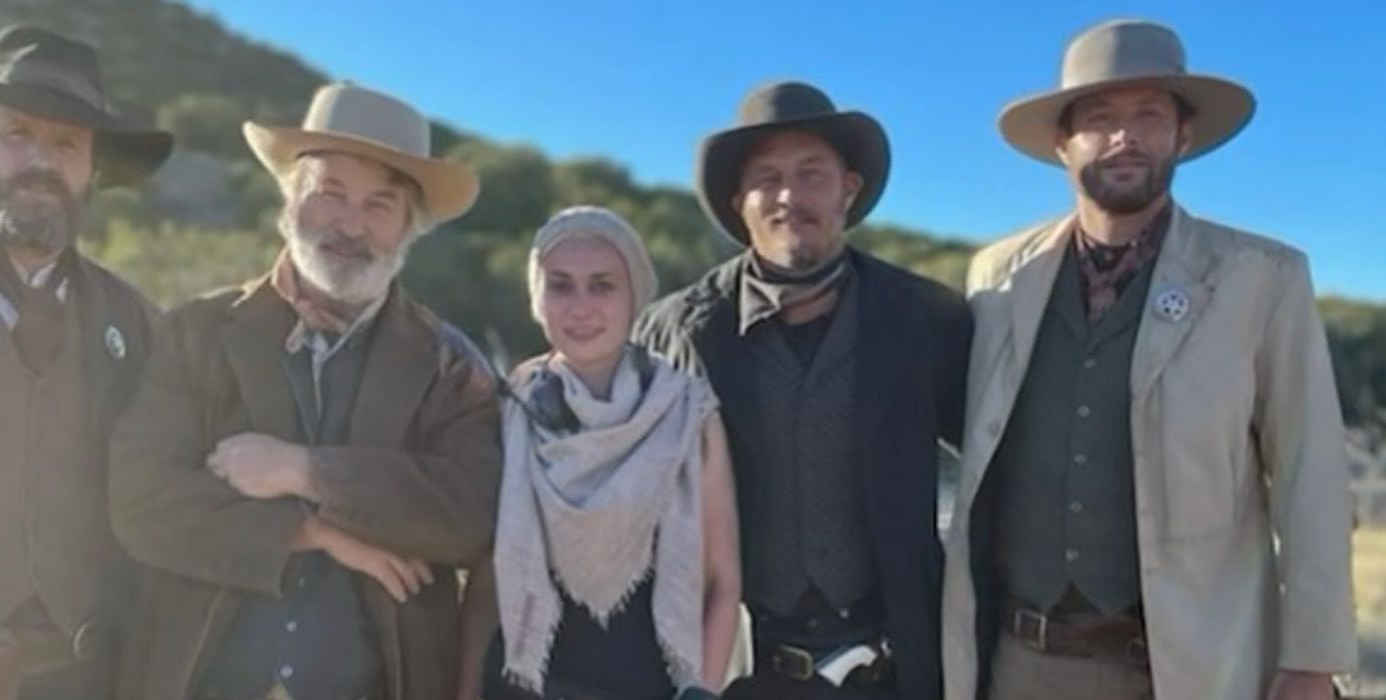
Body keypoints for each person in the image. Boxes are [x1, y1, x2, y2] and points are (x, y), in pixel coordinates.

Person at [941, 18, 1357, 700]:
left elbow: (1311, 473)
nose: (1124, 136)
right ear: (1062, 143)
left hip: (1190, 665)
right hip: (1021, 662)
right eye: (1100, 118)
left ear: (1182, 136)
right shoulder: (995, 275)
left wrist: (1312, 659)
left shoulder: (1262, 277)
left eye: (1148, 116)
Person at [108, 82, 503, 700]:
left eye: (379, 204)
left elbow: (470, 515)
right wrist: (311, 532)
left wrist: (307, 471)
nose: (350, 224)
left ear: (408, 228)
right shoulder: (197, 331)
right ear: (290, 201)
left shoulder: (451, 364)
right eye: (330, 194)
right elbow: (140, 502)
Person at [636, 81, 972, 699]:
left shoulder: (929, 319)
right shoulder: (673, 333)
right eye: (767, 178)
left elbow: (998, 464)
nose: (790, 196)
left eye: (811, 173)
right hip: (738, 670)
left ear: (849, 187)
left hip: (895, 672)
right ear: (740, 202)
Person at [456, 205, 741, 700]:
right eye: (560, 285)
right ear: (537, 299)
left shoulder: (688, 412)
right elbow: (485, 585)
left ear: (635, 295)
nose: (580, 305)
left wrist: (703, 692)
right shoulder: (509, 405)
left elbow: (723, 583)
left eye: (603, 284)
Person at [0, 25, 172, 700]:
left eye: (67, 143)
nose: (41, 160)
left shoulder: (139, 324)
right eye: (18, 134)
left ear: (94, 170)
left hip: (84, 673)